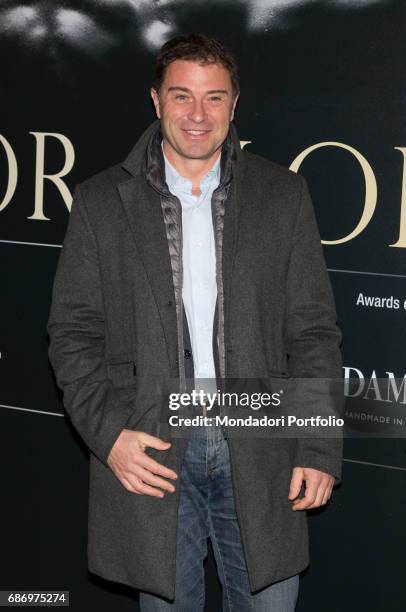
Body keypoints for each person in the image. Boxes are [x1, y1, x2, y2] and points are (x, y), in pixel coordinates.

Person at [47, 33, 343, 611]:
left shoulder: (283, 196)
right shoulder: (101, 202)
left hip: (263, 446)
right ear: (156, 101)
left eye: (214, 98)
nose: (198, 115)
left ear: (235, 103)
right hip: (153, 451)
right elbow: (73, 334)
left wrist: (317, 445)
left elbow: (312, 333)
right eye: (182, 96)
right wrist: (108, 437)